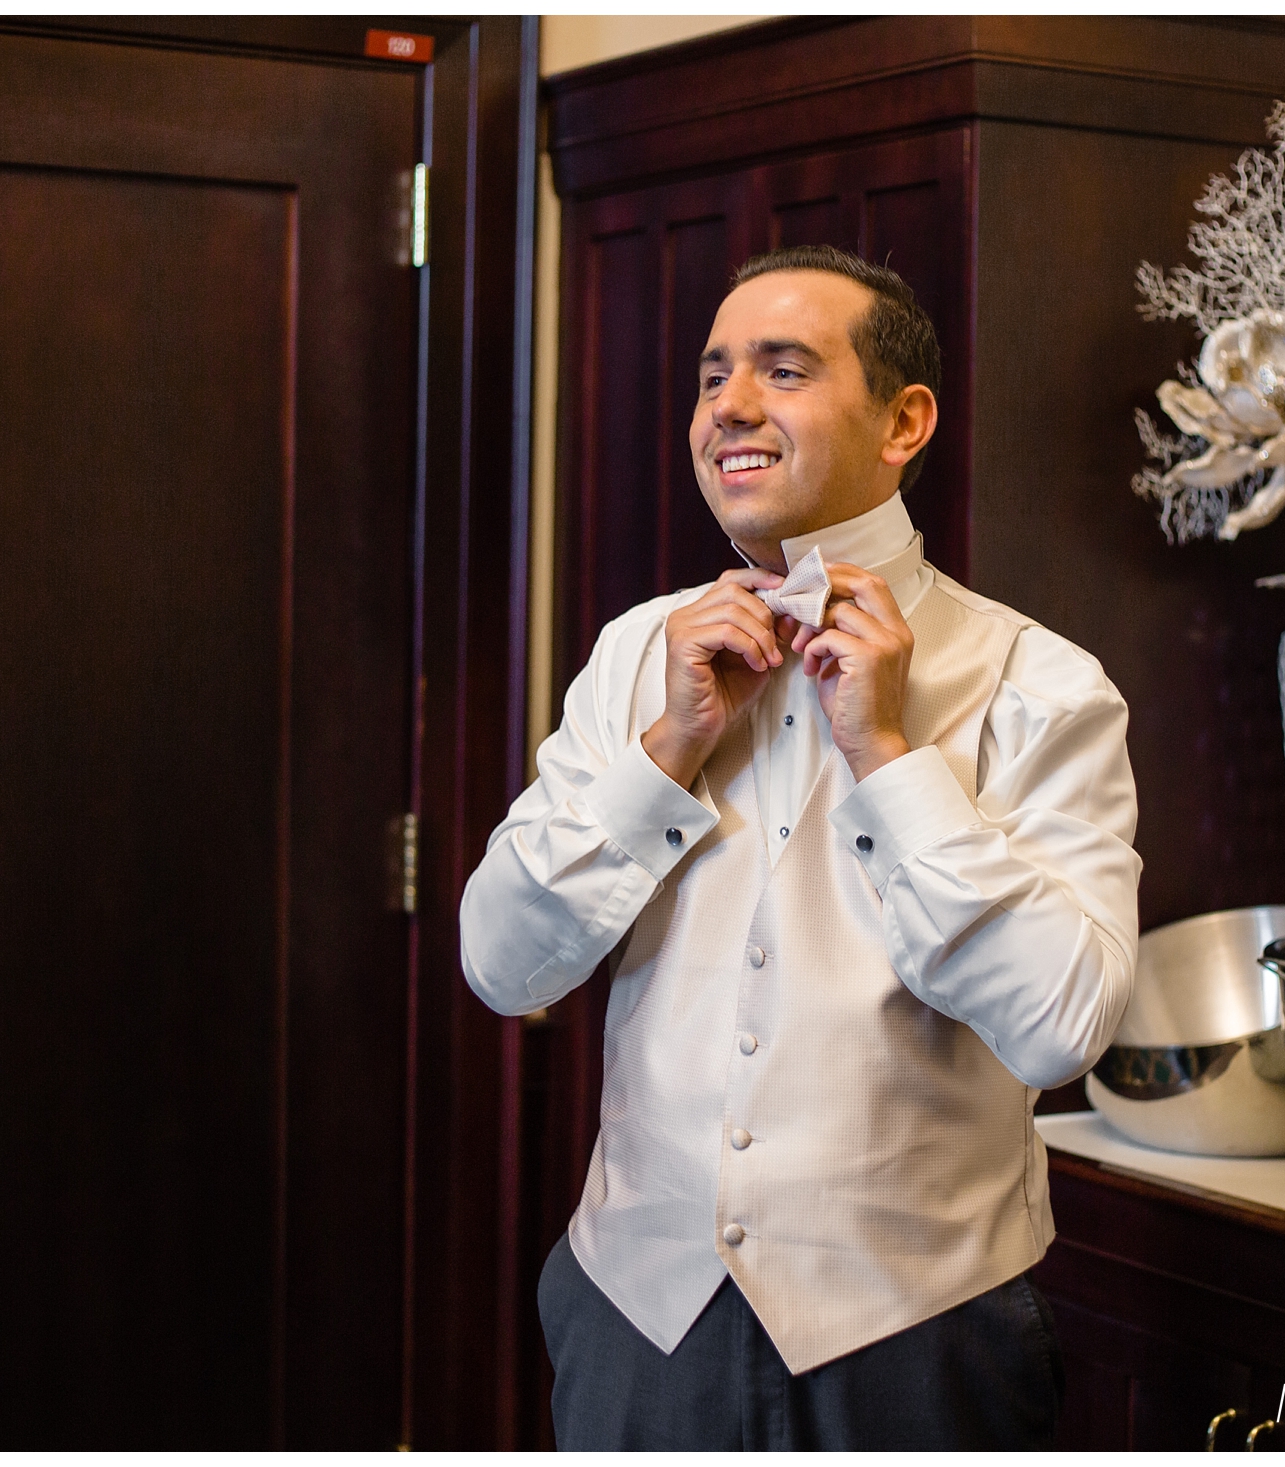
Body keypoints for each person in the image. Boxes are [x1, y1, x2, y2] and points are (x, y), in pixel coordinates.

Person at [461, 244, 1140, 1449]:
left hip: (922, 1342)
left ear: (903, 421)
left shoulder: (1042, 685)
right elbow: (502, 965)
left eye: (782, 370)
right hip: (635, 1323)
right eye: (713, 375)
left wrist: (887, 755)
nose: (728, 404)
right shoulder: (635, 658)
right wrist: (667, 745)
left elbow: (1061, 1026)